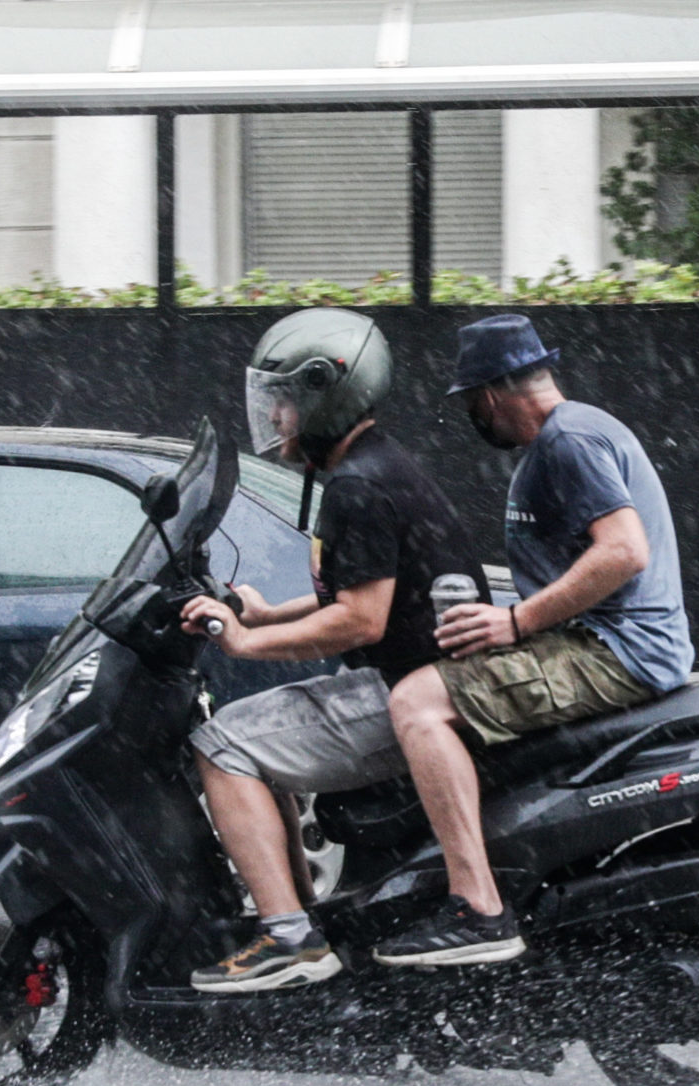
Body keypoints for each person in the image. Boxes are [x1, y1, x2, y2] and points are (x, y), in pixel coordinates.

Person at [174, 308, 485, 994]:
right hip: (421, 678)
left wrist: (249, 641)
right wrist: (265, 610)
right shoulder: (371, 466)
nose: (276, 418)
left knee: (220, 743)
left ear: (323, 396)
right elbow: (365, 593)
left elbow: (362, 621)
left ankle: (288, 935)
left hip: (408, 691)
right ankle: (300, 917)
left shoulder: (359, 484)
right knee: (252, 739)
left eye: (283, 402)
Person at [371, 314, 694, 969]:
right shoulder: (572, 435)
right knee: (445, 680)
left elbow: (624, 552)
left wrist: (516, 624)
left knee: (416, 703)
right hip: (604, 639)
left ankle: (477, 906)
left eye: (469, 403)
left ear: (489, 394)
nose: (471, 415)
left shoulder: (567, 441)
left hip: (617, 649)